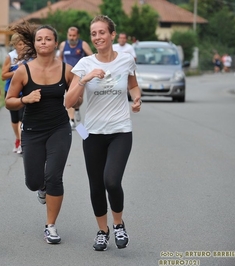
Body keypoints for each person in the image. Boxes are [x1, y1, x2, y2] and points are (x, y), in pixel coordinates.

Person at [65, 15, 141, 252]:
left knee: (112, 180)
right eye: (94, 33)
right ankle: (102, 231)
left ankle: (118, 224)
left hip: (120, 130)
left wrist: (137, 98)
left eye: (102, 32)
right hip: (92, 133)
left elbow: (133, 85)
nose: (97, 37)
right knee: (96, 185)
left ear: (111, 35)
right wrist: (85, 79)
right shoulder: (84, 64)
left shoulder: (126, 59)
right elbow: (68, 101)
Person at [5, 22, 75, 244]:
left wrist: (77, 97)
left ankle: (51, 226)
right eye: (39, 39)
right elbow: (9, 102)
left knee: (54, 176)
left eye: (48, 39)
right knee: (33, 182)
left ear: (56, 43)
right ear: (34, 44)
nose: (43, 42)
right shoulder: (23, 71)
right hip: (33, 131)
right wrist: (25, 99)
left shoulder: (67, 70)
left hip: (59, 129)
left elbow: (77, 99)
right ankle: (41, 187)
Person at [58, 27, 93, 129]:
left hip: (80, 75)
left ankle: (77, 110)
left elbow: (91, 57)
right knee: (69, 96)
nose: (72, 38)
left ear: (77, 36)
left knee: (78, 98)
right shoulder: (63, 45)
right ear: (67, 35)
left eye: (74, 35)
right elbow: (59, 57)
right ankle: (71, 120)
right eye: (70, 35)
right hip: (67, 75)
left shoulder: (83, 44)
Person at [1, 33, 26, 154]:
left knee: (22, 117)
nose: (22, 46)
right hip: (11, 91)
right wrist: (17, 71)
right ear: (14, 45)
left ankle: (22, 142)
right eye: (20, 44)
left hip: (24, 92)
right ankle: (18, 138)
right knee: (14, 119)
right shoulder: (10, 57)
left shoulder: (29, 57)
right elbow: (3, 76)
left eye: (24, 44)